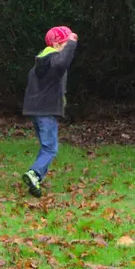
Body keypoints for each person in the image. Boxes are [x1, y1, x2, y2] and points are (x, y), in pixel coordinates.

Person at [22, 25, 78, 197]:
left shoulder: (41, 61)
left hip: (35, 111)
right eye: (63, 45)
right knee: (51, 149)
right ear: (55, 46)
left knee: (46, 147)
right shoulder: (54, 60)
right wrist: (71, 44)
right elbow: (62, 62)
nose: (65, 50)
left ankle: (36, 181)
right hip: (46, 112)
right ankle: (34, 173)